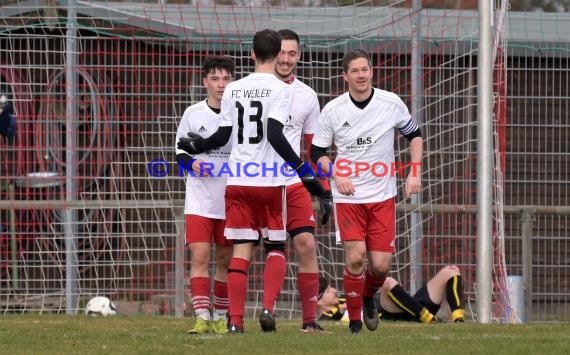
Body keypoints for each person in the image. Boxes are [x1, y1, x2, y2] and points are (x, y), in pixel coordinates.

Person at [178, 29, 324, 334]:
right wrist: (301, 168)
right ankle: (268, 308)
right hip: (270, 181)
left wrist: (195, 147)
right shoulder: (282, 90)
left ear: (252, 55)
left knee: (241, 250)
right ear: (277, 54)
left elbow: (221, 136)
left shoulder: (234, 89)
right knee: (276, 247)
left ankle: (235, 322)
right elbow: (273, 133)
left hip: (238, 181)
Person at [310, 49, 423, 333]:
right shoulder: (333, 110)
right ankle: (356, 324)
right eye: (355, 71)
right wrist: (336, 173)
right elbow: (317, 153)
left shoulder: (391, 103)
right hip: (348, 198)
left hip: (383, 196)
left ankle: (369, 296)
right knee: (356, 256)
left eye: (365, 69)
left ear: (371, 71)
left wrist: (414, 172)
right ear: (345, 76)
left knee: (381, 267)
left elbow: (415, 135)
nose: (362, 75)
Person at [275, 29, 332, 333]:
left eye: (292, 53)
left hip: (293, 181)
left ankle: (310, 321)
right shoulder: (251, 89)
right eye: (281, 52)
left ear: (299, 55)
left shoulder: (308, 95)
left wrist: (322, 189)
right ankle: (234, 319)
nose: (285, 59)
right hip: (255, 181)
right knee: (241, 248)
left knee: (307, 243)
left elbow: (313, 148)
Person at [175, 56, 235, 335]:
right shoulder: (193, 113)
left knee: (225, 261)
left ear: (233, 82)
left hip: (231, 199)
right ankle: (201, 317)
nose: (221, 84)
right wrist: (193, 163)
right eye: (215, 78)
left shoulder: (240, 114)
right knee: (200, 258)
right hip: (199, 200)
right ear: (205, 83)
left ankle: (222, 317)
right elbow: (179, 152)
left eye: (226, 78)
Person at [317, 266, 465, 323]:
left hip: (410, 309)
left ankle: (459, 322)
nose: (335, 291)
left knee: (451, 272)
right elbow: (333, 322)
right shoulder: (326, 320)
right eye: (329, 291)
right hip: (391, 314)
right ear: (318, 302)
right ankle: (430, 319)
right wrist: (340, 312)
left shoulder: (345, 298)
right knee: (387, 281)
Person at [377, 265, 465, 323]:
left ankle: (459, 320)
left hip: (415, 307)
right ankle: (427, 318)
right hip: (395, 314)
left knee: (451, 272)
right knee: (387, 281)